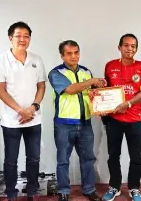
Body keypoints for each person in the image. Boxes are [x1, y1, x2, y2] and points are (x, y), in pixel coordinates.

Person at [0, 21, 46, 201]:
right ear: (10, 38)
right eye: (18, 36)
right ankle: (11, 193)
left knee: (34, 158)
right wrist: (20, 110)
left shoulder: (36, 59)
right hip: (11, 119)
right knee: (11, 160)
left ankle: (32, 191)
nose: (22, 39)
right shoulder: (0, 60)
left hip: (34, 118)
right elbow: (0, 90)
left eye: (26, 36)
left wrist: (32, 108)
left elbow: (41, 87)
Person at [48, 40, 105, 201]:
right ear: (62, 56)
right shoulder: (56, 73)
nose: (74, 56)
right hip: (64, 124)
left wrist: (99, 87)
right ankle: (64, 191)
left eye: (76, 52)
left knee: (88, 159)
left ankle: (89, 189)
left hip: (85, 123)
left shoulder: (86, 72)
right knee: (63, 160)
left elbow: (93, 94)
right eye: (69, 53)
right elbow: (71, 89)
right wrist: (91, 82)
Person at [102, 34, 141, 201]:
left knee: (135, 157)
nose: (129, 48)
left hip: (134, 120)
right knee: (113, 156)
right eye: (126, 45)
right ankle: (114, 187)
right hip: (114, 120)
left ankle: (134, 189)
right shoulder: (109, 66)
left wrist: (128, 104)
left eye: (133, 46)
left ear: (136, 49)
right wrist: (101, 106)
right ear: (119, 47)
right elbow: (105, 92)